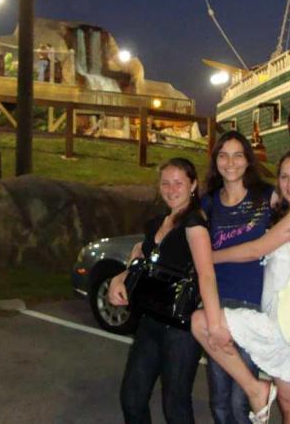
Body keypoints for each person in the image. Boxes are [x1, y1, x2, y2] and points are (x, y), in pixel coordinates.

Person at [196, 149, 290, 424]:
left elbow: (257, 249)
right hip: (276, 315)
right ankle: (257, 390)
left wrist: (207, 257)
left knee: (201, 321)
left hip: (286, 320)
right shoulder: (288, 210)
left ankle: (256, 390)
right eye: (284, 177)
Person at [108, 158, 231, 424]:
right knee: (132, 397)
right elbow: (142, 255)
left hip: (180, 329)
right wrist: (121, 276)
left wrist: (214, 325)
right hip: (150, 320)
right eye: (165, 183)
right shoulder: (157, 223)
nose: (171, 189)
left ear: (193, 185)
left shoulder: (194, 224)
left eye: (178, 183)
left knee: (175, 406)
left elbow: (206, 274)